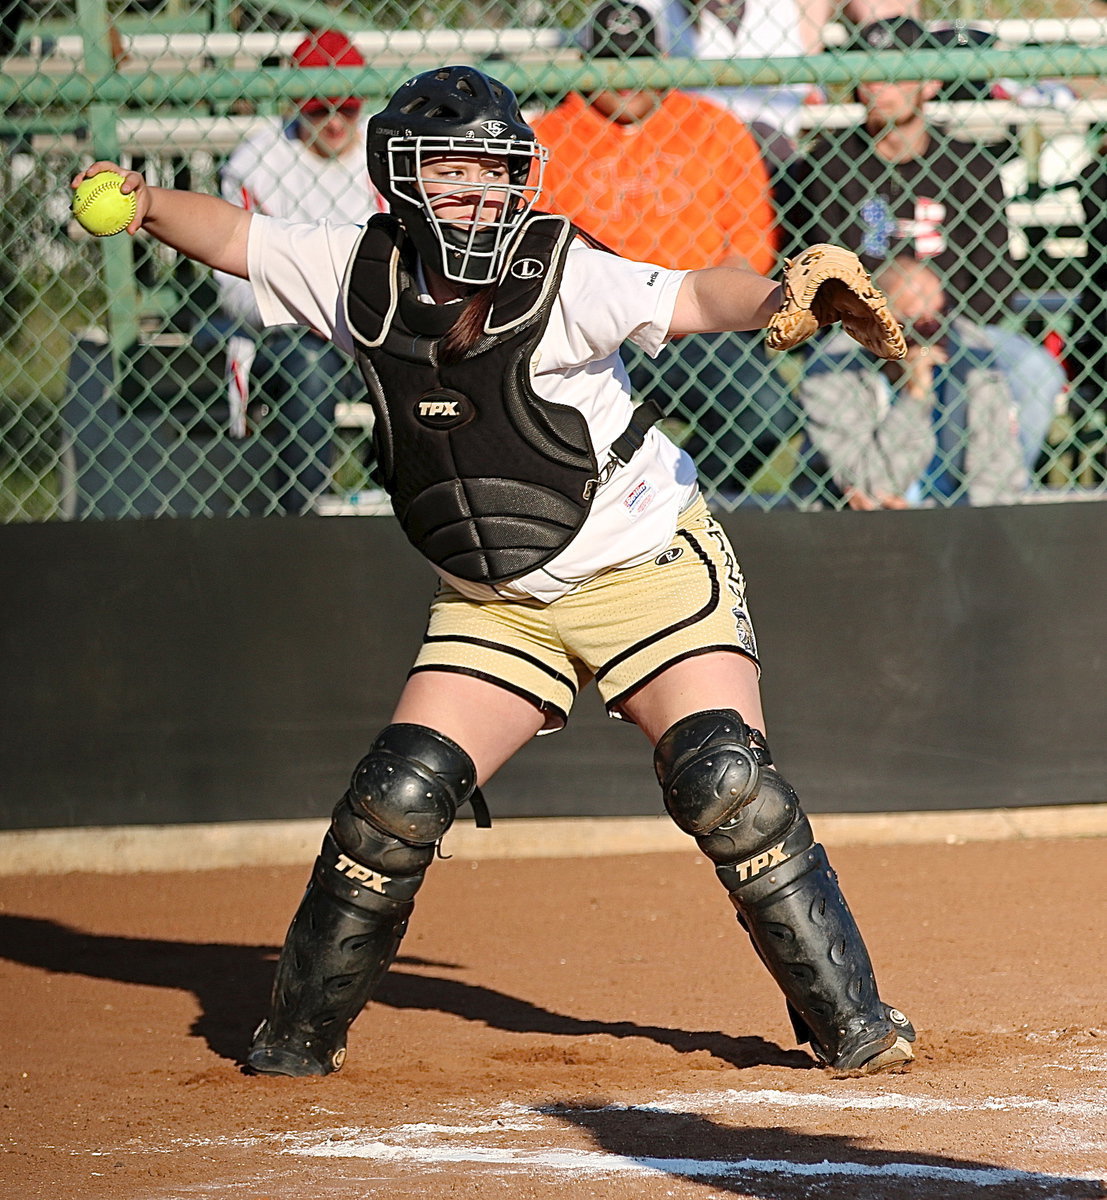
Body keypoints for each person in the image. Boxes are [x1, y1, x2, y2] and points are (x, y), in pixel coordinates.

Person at [73, 65, 914, 1081]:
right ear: (400, 180)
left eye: (492, 170)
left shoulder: (558, 269)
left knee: (726, 781)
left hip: (640, 561)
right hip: (494, 603)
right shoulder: (361, 272)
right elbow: (238, 241)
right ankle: (294, 1042)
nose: (474, 192)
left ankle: (854, 1022)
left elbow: (693, 293)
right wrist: (150, 203)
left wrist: (786, 294)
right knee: (395, 798)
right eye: (450, 171)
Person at [535, 2, 793, 505]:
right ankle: (601, 508)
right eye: (612, 63)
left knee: (767, 412)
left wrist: (707, 305)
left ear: (664, 60)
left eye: (640, 62)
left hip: (696, 322)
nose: (628, 79)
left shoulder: (714, 127)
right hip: (595, 333)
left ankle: (684, 499)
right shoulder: (551, 135)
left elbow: (749, 246)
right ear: (586, 63)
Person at [784, 15, 1061, 477]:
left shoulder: (970, 166)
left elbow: (995, 286)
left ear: (930, 83)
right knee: (827, 368)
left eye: (894, 74)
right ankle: (864, 492)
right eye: (867, 73)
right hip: (858, 330)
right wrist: (886, 320)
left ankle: (989, 504)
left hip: (956, 325)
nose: (877, 88)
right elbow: (817, 277)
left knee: (1035, 372)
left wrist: (929, 327)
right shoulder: (829, 166)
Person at [215, 29, 387, 512]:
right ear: (295, 103)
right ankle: (303, 514)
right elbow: (232, 288)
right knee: (308, 362)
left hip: (374, 324)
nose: (334, 123)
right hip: (289, 332)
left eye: (346, 108)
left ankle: (403, 503)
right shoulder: (258, 162)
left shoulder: (383, 153)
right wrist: (307, 310)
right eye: (318, 109)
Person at [798, 256, 1027, 508]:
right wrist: (914, 396)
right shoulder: (832, 369)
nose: (934, 333)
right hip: (860, 526)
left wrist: (963, 526)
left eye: (941, 315)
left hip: (959, 520)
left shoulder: (971, 352)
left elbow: (1000, 471)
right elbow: (871, 488)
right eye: (915, 321)